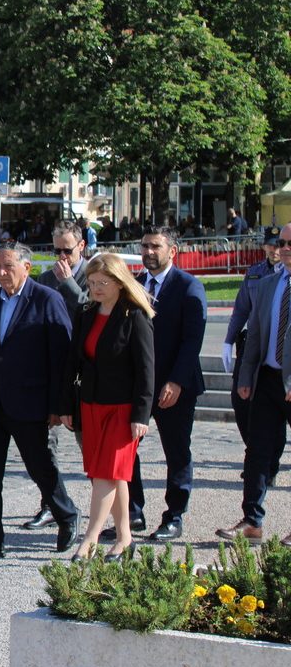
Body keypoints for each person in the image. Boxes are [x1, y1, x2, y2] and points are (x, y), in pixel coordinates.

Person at [0, 242, 80, 561]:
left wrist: (58, 405)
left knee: (40, 467)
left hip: (31, 403)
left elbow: (61, 357)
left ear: (26, 267)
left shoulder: (46, 299)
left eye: (7, 266)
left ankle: (66, 515)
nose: (0, 273)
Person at [60, 254, 155, 561]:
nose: (96, 288)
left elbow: (146, 370)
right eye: (91, 283)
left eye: (103, 283)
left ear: (119, 282)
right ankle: (125, 538)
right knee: (113, 477)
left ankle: (90, 539)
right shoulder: (86, 312)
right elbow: (73, 362)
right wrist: (66, 406)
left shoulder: (134, 315)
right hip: (91, 404)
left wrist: (142, 414)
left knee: (106, 473)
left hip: (123, 409)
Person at [125, 227, 207, 541]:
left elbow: (191, 341)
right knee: (127, 449)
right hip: (139, 387)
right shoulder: (132, 284)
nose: (148, 252)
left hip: (176, 385)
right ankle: (132, 512)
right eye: (144, 246)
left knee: (176, 452)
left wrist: (175, 381)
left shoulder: (188, 286)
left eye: (155, 246)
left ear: (171, 250)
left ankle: (174, 516)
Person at [219, 223, 291, 544]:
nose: (284, 247)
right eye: (282, 242)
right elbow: (257, 335)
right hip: (267, 379)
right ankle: (252, 521)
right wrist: (246, 376)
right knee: (257, 451)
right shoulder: (269, 283)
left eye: (290, 242)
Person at [24, 220, 92, 531]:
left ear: (82, 246)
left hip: (83, 375)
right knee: (44, 448)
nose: (62, 257)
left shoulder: (96, 275)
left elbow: (91, 313)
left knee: (90, 447)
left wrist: (70, 285)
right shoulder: (46, 279)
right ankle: (50, 504)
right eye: (56, 250)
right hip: (51, 374)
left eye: (68, 250)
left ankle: (118, 509)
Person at [223, 227, 281, 449]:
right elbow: (241, 309)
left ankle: (270, 461)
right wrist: (229, 340)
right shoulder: (255, 273)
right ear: (265, 246)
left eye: (280, 245)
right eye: (272, 245)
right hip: (255, 345)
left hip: (281, 347)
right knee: (241, 402)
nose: (276, 250)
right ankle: (256, 451)